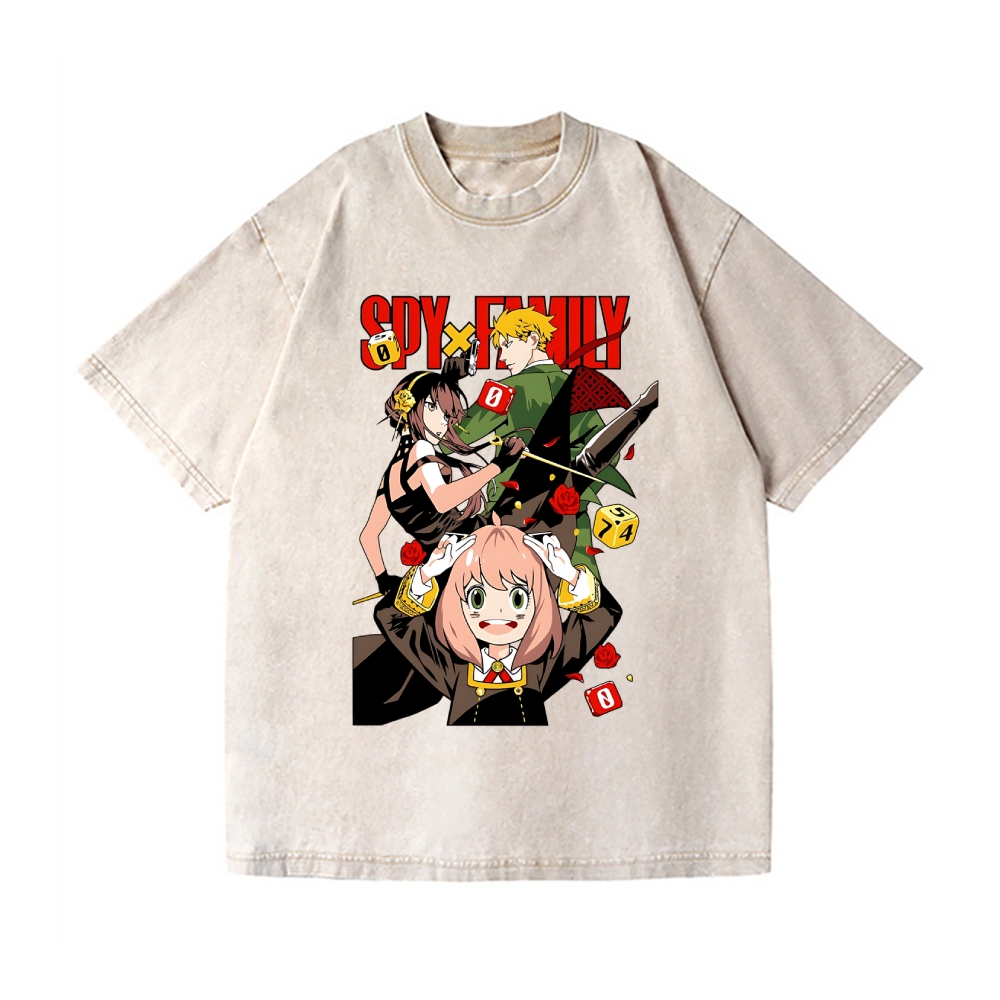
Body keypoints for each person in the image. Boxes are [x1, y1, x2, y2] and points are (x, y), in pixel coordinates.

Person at [450, 306, 653, 575]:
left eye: (508, 344)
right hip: (570, 519)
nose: (502, 356)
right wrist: (570, 493)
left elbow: (456, 438)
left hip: (509, 517)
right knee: (585, 592)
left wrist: (449, 381)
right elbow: (609, 455)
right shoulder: (578, 389)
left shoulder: (506, 389)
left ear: (533, 340)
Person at [374, 517, 622, 726]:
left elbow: (603, 615)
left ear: (539, 603)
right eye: (478, 598)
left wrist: (570, 574)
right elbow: (392, 618)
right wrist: (428, 572)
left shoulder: (544, 666)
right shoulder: (452, 668)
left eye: (517, 598)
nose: (499, 611)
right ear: (457, 603)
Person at [359, 357, 524, 596]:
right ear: (424, 407)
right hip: (467, 542)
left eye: (449, 417)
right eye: (443, 414)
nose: (446, 424)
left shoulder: (390, 475)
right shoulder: (422, 449)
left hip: (439, 562)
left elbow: (368, 535)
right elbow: (442, 499)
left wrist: (383, 578)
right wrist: (498, 466)